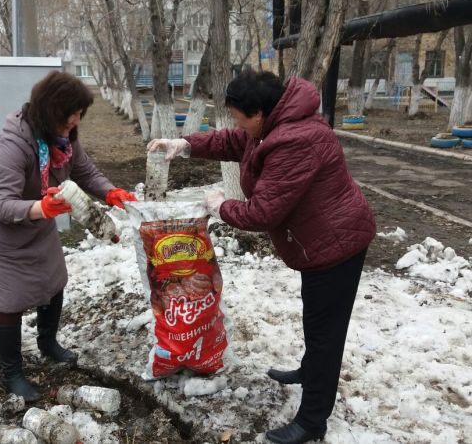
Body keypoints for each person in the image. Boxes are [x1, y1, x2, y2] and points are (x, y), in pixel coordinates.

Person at [147, 70, 376, 444]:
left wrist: (222, 205)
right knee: (317, 320)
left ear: (259, 112)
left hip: (337, 246)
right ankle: (310, 371)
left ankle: (312, 420)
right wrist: (185, 144)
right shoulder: (274, 124)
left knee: (326, 335)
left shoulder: (295, 141)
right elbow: (231, 141)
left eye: (240, 118)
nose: (237, 125)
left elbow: (263, 213)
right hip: (319, 240)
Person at [0, 71, 137, 402]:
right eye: (71, 114)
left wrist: (110, 192)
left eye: (80, 114)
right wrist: (43, 208)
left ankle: (48, 343)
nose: (76, 121)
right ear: (51, 110)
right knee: (11, 299)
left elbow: (84, 171)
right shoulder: (13, 144)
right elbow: (1, 204)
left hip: (38, 217)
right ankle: (12, 372)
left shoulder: (63, 136)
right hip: (1, 230)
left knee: (53, 280)